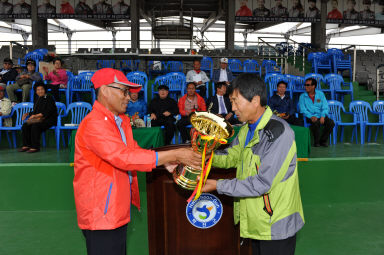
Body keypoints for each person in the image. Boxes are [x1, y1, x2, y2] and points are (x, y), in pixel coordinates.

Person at [73, 68, 201, 255]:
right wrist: (174, 154)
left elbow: (132, 150)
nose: (129, 97)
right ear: (106, 91)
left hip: (115, 208)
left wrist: (163, 163)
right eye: (124, 91)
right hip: (101, 212)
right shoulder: (95, 123)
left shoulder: (120, 120)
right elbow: (122, 157)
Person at [201, 73, 304, 255]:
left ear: (255, 100)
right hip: (257, 222)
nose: (232, 107)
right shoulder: (247, 129)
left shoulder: (279, 134)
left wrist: (217, 185)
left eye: (235, 101)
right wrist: (204, 156)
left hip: (275, 226)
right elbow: (231, 157)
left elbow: (262, 183)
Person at [18, 82, 57, 153]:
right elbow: (36, 110)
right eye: (38, 90)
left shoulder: (49, 97)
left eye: (42, 89)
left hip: (49, 119)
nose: (40, 91)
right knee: (25, 125)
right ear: (36, 91)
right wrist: (28, 113)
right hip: (40, 119)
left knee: (35, 126)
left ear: (45, 90)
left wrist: (35, 116)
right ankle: (26, 145)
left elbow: (48, 111)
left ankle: (35, 147)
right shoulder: (37, 99)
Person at [299, 78, 335, 147]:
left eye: (308, 85)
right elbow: (303, 109)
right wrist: (311, 116)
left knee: (331, 123)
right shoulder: (302, 96)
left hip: (320, 115)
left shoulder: (320, 94)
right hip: (309, 116)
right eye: (305, 85)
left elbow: (325, 107)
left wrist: (322, 116)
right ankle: (316, 142)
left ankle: (323, 141)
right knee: (315, 123)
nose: (305, 87)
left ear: (313, 86)